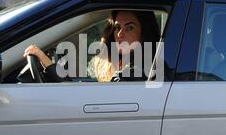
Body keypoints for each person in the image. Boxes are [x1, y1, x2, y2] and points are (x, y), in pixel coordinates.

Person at [23, 10, 160, 82]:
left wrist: (47, 63)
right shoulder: (129, 67)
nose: (119, 34)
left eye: (129, 28)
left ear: (145, 33)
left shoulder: (136, 72)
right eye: (117, 27)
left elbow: (76, 97)